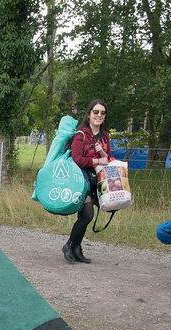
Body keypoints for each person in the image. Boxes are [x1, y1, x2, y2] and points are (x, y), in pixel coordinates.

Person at [61, 99, 111, 264]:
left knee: (85, 215)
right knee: (88, 214)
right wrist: (97, 161)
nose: (99, 115)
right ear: (89, 114)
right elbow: (76, 159)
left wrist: (103, 155)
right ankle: (70, 245)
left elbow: (108, 159)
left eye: (102, 113)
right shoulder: (80, 135)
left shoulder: (105, 137)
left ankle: (76, 248)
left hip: (95, 180)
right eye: (95, 112)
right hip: (80, 179)